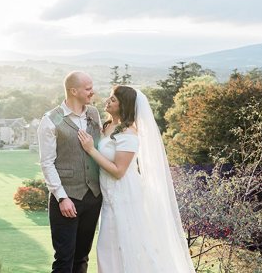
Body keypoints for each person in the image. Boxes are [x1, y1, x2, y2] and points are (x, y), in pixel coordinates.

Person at [78, 85, 195, 273]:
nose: (107, 101)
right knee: (107, 249)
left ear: (124, 105)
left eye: (113, 100)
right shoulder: (107, 127)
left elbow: (118, 171)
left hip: (124, 194)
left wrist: (90, 149)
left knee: (127, 246)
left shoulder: (129, 134)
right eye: (109, 97)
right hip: (108, 196)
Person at [37, 71, 103, 273]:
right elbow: (47, 163)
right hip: (66, 200)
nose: (93, 92)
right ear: (73, 91)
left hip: (93, 197)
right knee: (64, 260)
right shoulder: (50, 121)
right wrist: (62, 198)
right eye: (88, 88)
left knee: (82, 258)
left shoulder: (94, 114)